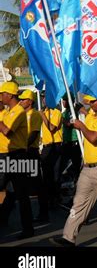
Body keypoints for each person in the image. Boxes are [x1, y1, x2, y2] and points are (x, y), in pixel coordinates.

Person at [50, 95, 97, 247]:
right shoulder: (91, 113)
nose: (90, 104)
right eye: (89, 102)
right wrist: (77, 107)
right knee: (78, 203)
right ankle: (68, 237)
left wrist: (81, 126)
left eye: (93, 101)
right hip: (87, 168)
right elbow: (85, 112)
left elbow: (94, 138)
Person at [0, 82, 32, 238]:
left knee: (21, 194)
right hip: (8, 155)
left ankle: (28, 229)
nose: (0, 97)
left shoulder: (18, 111)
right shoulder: (8, 111)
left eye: (2, 94)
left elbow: (6, 131)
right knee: (13, 192)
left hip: (16, 156)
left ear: (10, 95)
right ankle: (4, 218)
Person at [18, 89, 49, 222]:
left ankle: (43, 213)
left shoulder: (35, 114)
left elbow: (34, 134)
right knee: (20, 183)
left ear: (30, 101)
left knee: (37, 184)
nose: (20, 102)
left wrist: (23, 146)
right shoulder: (21, 115)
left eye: (23, 100)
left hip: (31, 152)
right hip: (22, 152)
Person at [39, 93, 63, 208]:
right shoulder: (45, 111)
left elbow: (52, 128)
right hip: (46, 146)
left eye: (46, 97)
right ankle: (50, 198)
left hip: (55, 146)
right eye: (43, 97)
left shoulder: (56, 112)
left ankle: (56, 198)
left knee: (55, 174)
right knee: (46, 174)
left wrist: (43, 116)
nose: (44, 100)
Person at [59, 95, 82, 185]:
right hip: (66, 141)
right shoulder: (64, 113)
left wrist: (63, 120)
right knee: (62, 165)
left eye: (65, 100)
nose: (63, 103)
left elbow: (71, 124)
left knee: (76, 166)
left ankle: (77, 184)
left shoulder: (73, 112)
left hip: (74, 141)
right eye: (63, 101)